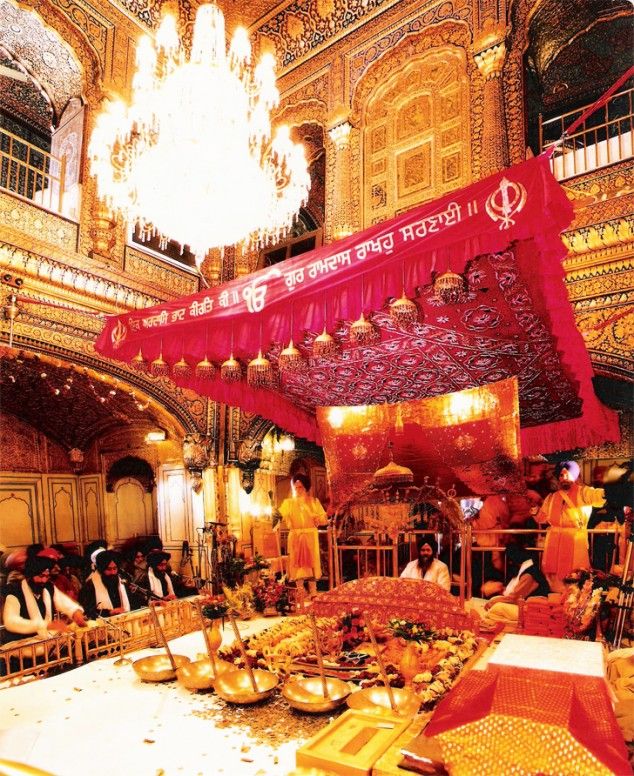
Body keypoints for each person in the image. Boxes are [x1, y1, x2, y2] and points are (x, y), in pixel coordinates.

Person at [538, 461, 606, 591]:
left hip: (575, 542)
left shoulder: (584, 493)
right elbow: (542, 518)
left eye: (566, 474)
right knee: (553, 581)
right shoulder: (551, 498)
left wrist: (611, 490)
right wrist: (535, 509)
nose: (563, 478)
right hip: (553, 543)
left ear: (574, 476)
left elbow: (599, 497)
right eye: (560, 476)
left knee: (575, 579)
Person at [2, 556, 86, 644]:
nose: (44, 580)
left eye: (46, 576)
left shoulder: (48, 587)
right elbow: (11, 622)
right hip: (20, 643)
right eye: (41, 576)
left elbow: (64, 602)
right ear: (29, 575)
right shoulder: (15, 592)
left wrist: (75, 612)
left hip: (44, 639)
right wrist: (46, 625)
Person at [277, 473, 327, 599]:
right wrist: (275, 517)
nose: (298, 490)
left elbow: (323, 519)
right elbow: (278, 516)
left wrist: (317, 518)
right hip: (296, 536)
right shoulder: (288, 503)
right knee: (297, 563)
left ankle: (313, 591)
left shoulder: (314, 502)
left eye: (300, 487)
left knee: (312, 562)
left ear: (306, 488)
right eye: (296, 487)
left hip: (310, 536)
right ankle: (300, 590)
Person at [479, 542, 550, 629]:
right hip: (527, 606)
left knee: (497, 608)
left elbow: (514, 598)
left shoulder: (529, 574)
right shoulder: (527, 569)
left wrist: (493, 602)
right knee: (495, 604)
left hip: (535, 611)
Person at [79, 550, 132, 618]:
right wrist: (109, 612)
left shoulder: (123, 581)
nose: (112, 572)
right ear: (101, 569)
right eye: (109, 569)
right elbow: (86, 611)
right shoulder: (90, 586)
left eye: (115, 568)